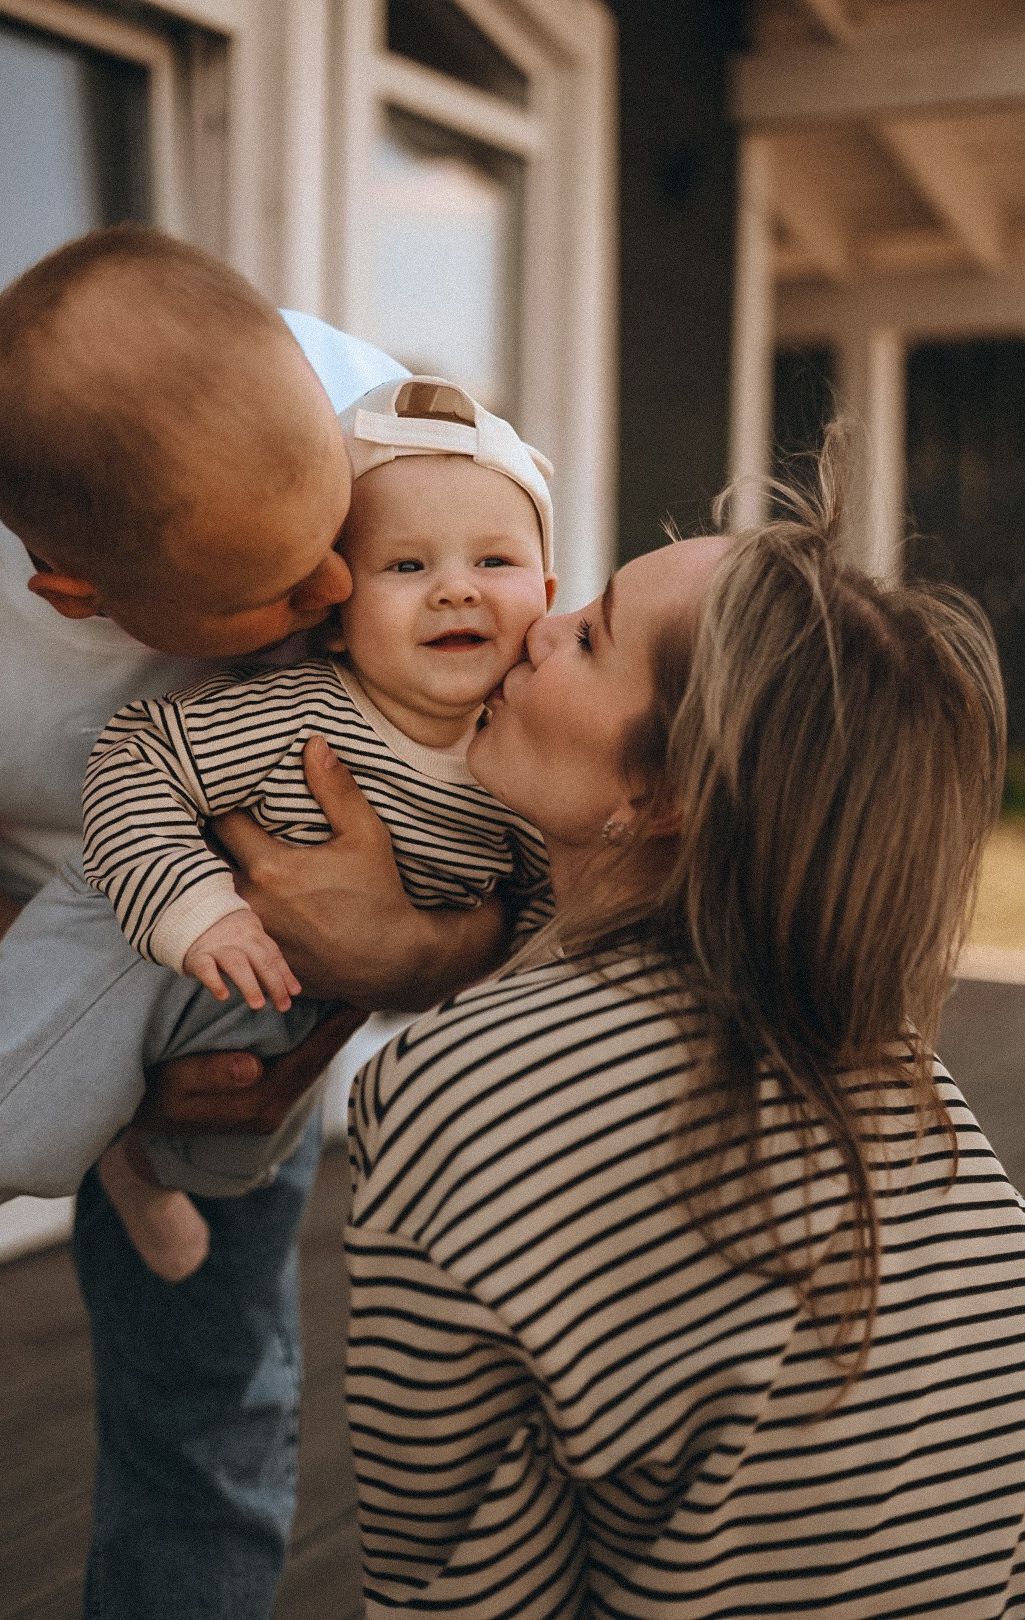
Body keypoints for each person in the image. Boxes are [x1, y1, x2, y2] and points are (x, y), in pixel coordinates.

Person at [342, 446, 1025, 1616]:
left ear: (662, 795)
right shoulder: (901, 1074)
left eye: (594, 636)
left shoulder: (460, 1096)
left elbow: (461, 1590)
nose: (540, 625)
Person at [0, 225, 513, 1619]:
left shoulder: (383, 428)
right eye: (271, 586)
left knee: (210, 1404)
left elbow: (529, 761)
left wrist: (397, 963)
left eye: (339, 540)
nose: (337, 597)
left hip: (258, 960)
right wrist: (40, 1031)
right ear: (70, 592)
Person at [0, 374, 556, 1285]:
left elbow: (554, 905)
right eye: (408, 567)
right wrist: (191, 909)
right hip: (143, 931)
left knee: (232, 1159)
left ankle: (140, 1169)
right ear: (338, 619)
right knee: (2, 1115)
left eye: (495, 565)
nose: (455, 592)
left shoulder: (534, 753)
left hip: (291, 1001)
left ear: (549, 590)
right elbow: (139, 756)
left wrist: (460, 966)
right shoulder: (301, 713)